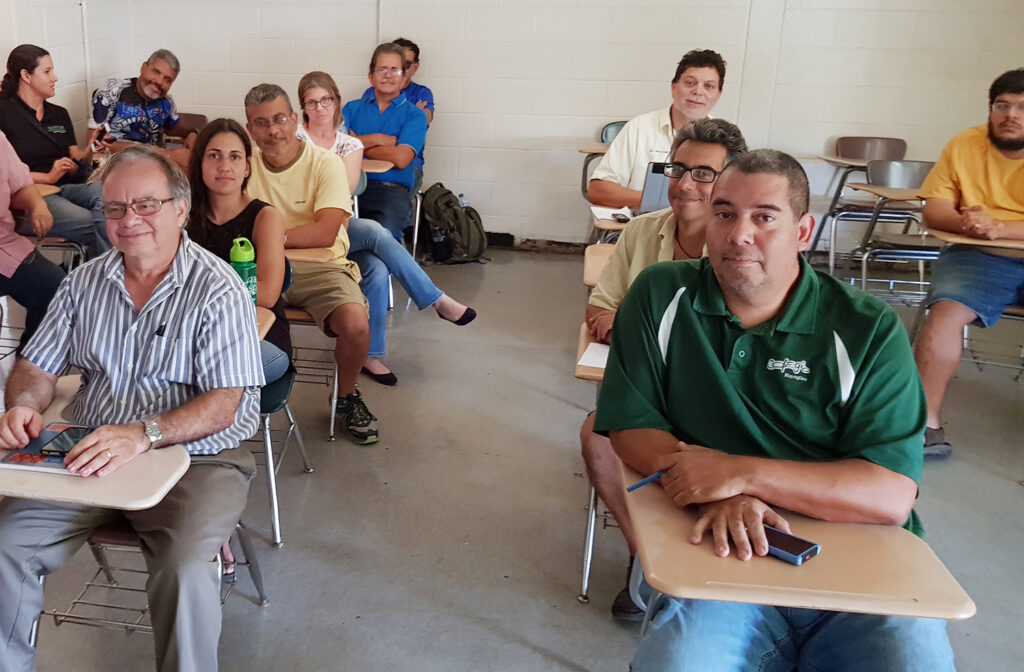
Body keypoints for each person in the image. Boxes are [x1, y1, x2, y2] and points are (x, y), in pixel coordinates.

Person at [595, 149, 954, 671]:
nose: (739, 234)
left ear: (803, 232)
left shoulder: (867, 329)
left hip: (859, 564)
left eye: (764, 217)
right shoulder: (660, 293)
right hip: (716, 551)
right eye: (724, 213)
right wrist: (713, 494)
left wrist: (739, 477)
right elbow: (632, 425)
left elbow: (890, 492)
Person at [0, 144, 263, 671]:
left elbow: (224, 405)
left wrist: (142, 434)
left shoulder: (218, 289)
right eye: (115, 208)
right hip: (88, 449)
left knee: (187, 569)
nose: (128, 220)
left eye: (146, 205)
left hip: (196, 459)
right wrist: (25, 404)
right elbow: (36, 367)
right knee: (5, 548)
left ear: (181, 209)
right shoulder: (83, 283)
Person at [581, 118, 746, 620]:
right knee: (596, 436)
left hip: (722, 395)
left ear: (730, 183)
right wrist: (626, 326)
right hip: (651, 391)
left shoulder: (742, 249)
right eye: (677, 169)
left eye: (702, 173)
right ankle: (645, 558)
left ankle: (697, 546)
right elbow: (603, 306)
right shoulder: (640, 232)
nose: (683, 184)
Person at [297, 71, 474, 385]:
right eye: (312, 102)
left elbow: (343, 192)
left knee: (376, 266)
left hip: (336, 227)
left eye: (326, 100)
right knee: (377, 233)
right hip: (301, 229)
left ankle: (371, 354)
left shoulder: (349, 144)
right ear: (303, 108)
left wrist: (315, 183)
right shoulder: (295, 140)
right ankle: (436, 299)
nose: (321, 107)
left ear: (336, 103)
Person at [243, 83, 378, 444]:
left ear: (294, 120)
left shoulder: (326, 163)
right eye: (260, 123)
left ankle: (347, 396)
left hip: (322, 268)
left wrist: (268, 237)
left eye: (279, 119)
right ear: (249, 130)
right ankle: (223, 399)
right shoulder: (242, 166)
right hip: (256, 270)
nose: (273, 131)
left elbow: (324, 232)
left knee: (355, 323)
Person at [913, 67, 1024, 458]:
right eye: (1002, 105)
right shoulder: (965, 144)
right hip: (979, 254)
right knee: (944, 314)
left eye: (1023, 108)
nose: (1011, 115)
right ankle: (924, 425)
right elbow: (935, 210)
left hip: (1001, 240)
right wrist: (970, 223)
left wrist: (1000, 227)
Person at [187, 117, 291, 384]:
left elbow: (266, 295)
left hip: (258, 334)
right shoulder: (181, 214)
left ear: (247, 167)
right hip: (195, 330)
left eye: (234, 157)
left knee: (207, 371)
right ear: (200, 163)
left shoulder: (265, 217)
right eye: (214, 156)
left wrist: (196, 294)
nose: (224, 166)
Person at [0, 44, 110, 258]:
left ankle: (99, 278)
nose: (55, 78)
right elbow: (6, 175)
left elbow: (75, 158)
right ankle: (103, 282)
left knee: (110, 203)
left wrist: (90, 150)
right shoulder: (4, 113)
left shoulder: (59, 114)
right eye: (47, 71)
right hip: (30, 194)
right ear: (26, 75)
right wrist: (48, 177)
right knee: (95, 223)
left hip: (67, 186)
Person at [588, 49, 726, 210]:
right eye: (690, 83)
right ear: (674, 87)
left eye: (709, 86)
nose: (698, 92)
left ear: (718, 95)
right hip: (643, 228)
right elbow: (598, 191)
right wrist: (658, 200)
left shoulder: (725, 138)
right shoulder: (639, 128)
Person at [344, 43, 428, 241]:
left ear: (404, 77)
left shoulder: (415, 115)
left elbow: (401, 159)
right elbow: (338, 150)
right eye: (382, 69)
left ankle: (384, 271)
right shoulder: (351, 109)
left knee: (380, 239)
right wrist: (378, 140)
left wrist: (358, 144)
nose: (388, 75)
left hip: (391, 192)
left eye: (394, 70)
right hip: (350, 188)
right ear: (370, 76)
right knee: (336, 237)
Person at [0, 129, 65, 350]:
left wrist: (38, 206)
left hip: (4, 244)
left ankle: (29, 367)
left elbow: (20, 186)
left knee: (55, 287)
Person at [89, 48, 202, 169]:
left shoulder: (166, 102)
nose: (159, 81)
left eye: (167, 79)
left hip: (153, 169)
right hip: (111, 168)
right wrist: (162, 153)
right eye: (156, 72)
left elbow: (174, 128)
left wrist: (192, 133)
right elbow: (94, 144)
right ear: (144, 67)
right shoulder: (113, 91)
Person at [362, 38, 434, 124]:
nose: (401, 70)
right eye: (395, 66)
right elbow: (364, 123)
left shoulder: (422, 93)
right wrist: (412, 113)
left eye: (406, 64)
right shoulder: (371, 92)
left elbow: (424, 120)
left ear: (416, 67)